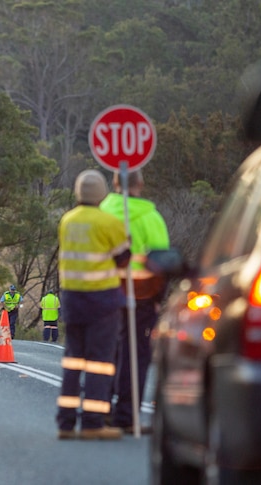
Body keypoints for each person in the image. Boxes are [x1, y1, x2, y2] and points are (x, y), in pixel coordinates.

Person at [56, 169, 130, 440]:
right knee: (99, 363)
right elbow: (123, 259)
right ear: (102, 194)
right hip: (102, 301)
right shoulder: (108, 222)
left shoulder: (67, 220)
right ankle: (92, 422)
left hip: (73, 299)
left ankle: (65, 423)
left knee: (73, 360)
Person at [99, 170, 170, 434]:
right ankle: (127, 416)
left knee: (106, 349)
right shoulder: (152, 218)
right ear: (140, 183)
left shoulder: (102, 212)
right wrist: (158, 299)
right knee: (136, 353)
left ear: (115, 182)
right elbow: (161, 264)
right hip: (141, 295)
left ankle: (100, 407)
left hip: (103, 291)